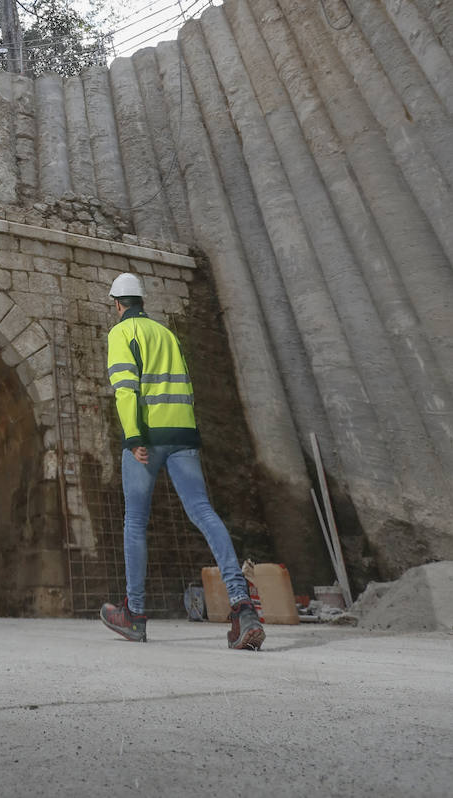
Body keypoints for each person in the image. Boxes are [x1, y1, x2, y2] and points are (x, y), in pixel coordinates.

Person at [99, 272, 264, 650]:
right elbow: (186, 385)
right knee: (204, 512)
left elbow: (125, 389)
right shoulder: (168, 334)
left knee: (136, 522)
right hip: (183, 435)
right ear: (142, 301)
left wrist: (135, 437)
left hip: (148, 439)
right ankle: (243, 608)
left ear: (118, 304)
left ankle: (135, 615)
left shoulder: (122, 334)